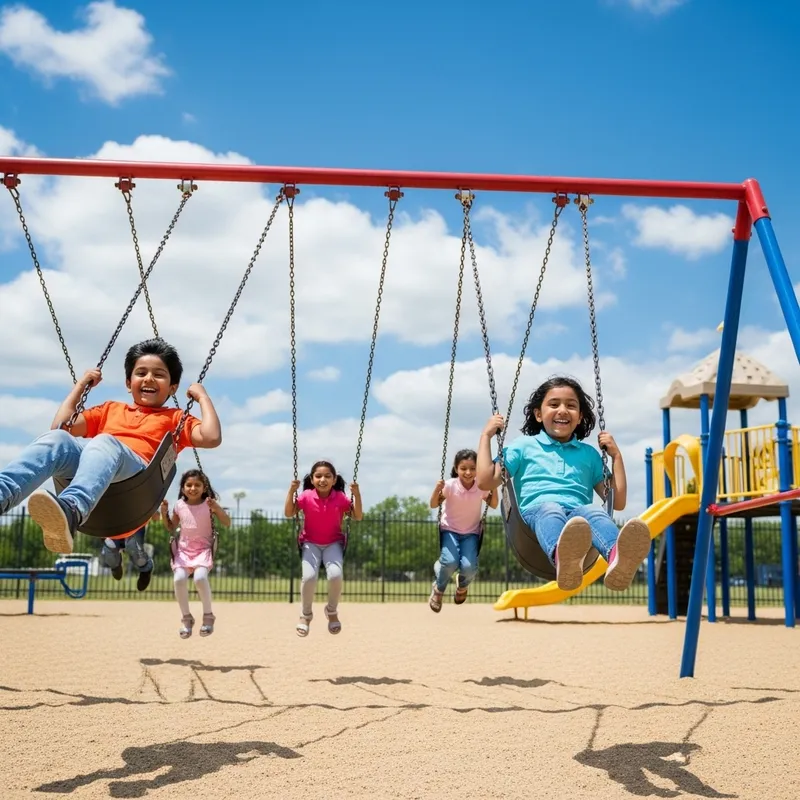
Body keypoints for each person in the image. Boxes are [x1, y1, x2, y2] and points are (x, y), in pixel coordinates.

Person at [0, 338, 222, 555]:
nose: (149, 379)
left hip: (136, 484)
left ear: (173, 388)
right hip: (97, 470)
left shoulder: (176, 418)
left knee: (104, 442)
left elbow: (211, 437)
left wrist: (202, 397)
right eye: (141, 373)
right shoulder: (110, 409)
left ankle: (72, 509)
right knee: (57, 439)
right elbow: (62, 425)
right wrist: (80, 387)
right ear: (128, 383)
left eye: (159, 374)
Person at [476, 375, 650, 593]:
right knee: (551, 509)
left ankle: (618, 557)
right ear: (538, 414)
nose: (563, 410)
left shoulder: (589, 454)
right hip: (535, 513)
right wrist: (486, 436)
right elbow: (484, 481)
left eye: (571, 405)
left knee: (592, 512)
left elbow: (619, 501)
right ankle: (564, 558)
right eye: (554, 404)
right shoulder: (523, 446)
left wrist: (617, 457)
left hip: (578, 518)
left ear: (579, 417)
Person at [284, 460, 362, 637]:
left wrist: (357, 494)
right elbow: (289, 513)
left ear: (334, 480)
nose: (322, 479)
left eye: (327, 476)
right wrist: (291, 491)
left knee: (335, 575)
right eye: (318, 476)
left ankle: (331, 611)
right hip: (310, 543)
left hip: (333, 543)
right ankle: (306, 615)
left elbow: (357, 516)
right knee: (309, 577)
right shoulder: (305, 496)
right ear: (312, 479)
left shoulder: (340, 498)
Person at [161, 470, 230, 639]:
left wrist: (217, 508)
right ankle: (186, 618)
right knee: (178, 579)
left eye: (197, 485)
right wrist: (164, 513)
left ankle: (208, 617)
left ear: (204, 487)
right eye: (189, 485)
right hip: (183, 552)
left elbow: (227, 523)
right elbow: (171, 527)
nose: (193, 488)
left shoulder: (208, 504)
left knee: (200, 578)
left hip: (203, 550)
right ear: (183, 488)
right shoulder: (179, 505)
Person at [428, 448, 498, 612]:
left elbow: (493, 504)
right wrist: (436, 490)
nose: (468, 472)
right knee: (450, 562)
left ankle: (462, 586)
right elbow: (433, 504)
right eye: (463, 468)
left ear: (478, 469)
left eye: (473, 468)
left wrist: (494, 487)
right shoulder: (451, 485)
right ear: (456, 468)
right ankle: (438, 590)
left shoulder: (481, 485)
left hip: (471, 532)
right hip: (450, 530)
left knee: (469, 567)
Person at [100, 526, 153, 591]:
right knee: (109, 550)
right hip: (115, 526)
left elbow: (156, 517)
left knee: (132, 547)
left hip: (134, 526)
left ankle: (146, 569)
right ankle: (115, 564)